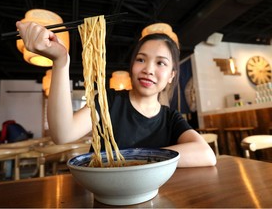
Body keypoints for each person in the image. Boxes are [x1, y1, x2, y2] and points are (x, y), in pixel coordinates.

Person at [16, 20, 217, 167]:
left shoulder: (170, 117)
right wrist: (60, 61)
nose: (148, 69)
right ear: (131, 65)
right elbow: (62, 134)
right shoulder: (109, 101)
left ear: (172, 75)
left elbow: (207, 155)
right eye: (140, 59)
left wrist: (134, 160)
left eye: (160, 63)